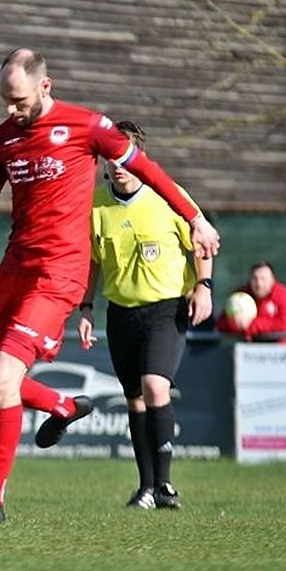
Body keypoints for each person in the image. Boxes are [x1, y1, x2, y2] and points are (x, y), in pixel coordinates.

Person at [0, 48, 220, 524]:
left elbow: (148, 171)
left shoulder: (88, 127)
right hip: (13, 268)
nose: (10, 111)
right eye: (4, 100)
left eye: (18, 100)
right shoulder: (2, 141)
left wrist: (195, 219)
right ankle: (62, 405)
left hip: (59, 273)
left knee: (3, 376)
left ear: (45, 86)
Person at [77, 120, 213, 510]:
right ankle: (147, 488)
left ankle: (166, 485)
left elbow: (201, 243)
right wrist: (85, 308)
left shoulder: (169, 197)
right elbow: (91, 262)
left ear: (139, 156)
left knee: (155, 386)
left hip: (165, 309)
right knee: (134, 398)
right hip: (120, 313)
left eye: (124, 154)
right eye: (111, 156)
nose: (118, 163)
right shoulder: (97, 205)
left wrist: (203, 287)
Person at [216, 262, 286, 343]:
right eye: (255, 279)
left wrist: (254, 326)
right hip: (247, 352)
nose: (259, 284)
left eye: (263, 279)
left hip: (279, 352)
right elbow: (221, 323)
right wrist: (236, 324)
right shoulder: (241, 296)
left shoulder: (284, 296)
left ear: (272, 280)